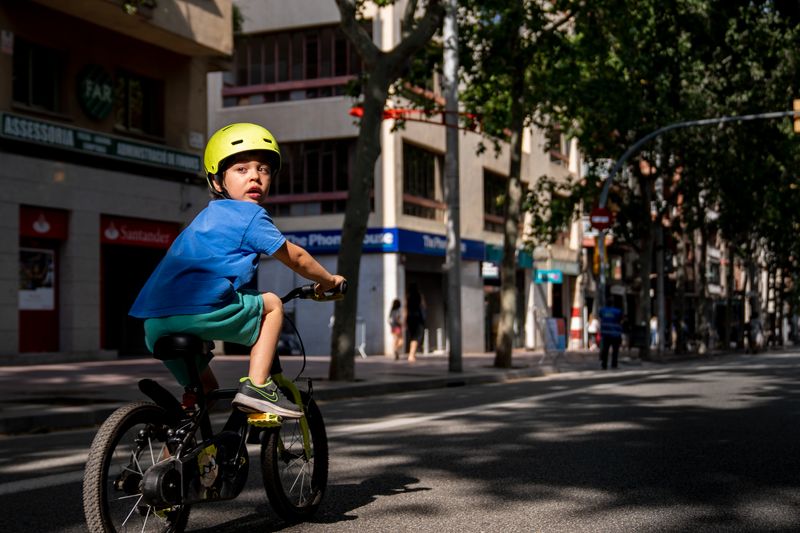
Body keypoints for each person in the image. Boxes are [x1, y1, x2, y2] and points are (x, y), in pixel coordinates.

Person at [129, 123, 345, 419]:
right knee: (271, 305)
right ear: (218, 182)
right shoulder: (250, 215)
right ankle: (257, 387)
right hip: (200, 312)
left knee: (204, 393)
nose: (255, 176)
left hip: (155, 323)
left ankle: (170, 460)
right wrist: (328, 280)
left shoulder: (203, 220)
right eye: (241, 170)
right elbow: (296, 258)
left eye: (264, 169)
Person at [404, 282, 426, 363]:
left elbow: (405, 308)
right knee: (416, 337)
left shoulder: (407, 296)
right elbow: (423, 306)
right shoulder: (419, 295)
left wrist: (405, 320)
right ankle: (411, 355)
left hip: (410, 318)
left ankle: (411, 354)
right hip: (418, 318)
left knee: (413, 336)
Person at [599, 304, 623, 370]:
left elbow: (600, 317)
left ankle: (604, 365)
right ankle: (614, 365)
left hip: (606, 334)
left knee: (605, 350)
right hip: (615, 334)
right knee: (615, 351)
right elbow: (620, 320)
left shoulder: (603, 310)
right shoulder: (617, 311)